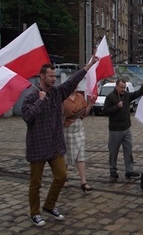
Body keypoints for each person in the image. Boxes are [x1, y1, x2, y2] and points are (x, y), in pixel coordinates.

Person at [22, 58, 97, 227]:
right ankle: (35, 213)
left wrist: (89, 65)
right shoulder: (31, 97)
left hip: (55, 144)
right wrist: (40, 100)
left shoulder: (56, 93)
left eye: (55, 76)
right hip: (38, 146)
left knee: (62, 176)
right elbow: (27, 117)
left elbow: (72, 81)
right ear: (42, 77)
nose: (54, 79)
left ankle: (49, 205)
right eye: (50, 76)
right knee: (36, 183)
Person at [103, 77, 143, 179]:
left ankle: (129, 170)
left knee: (128, 150)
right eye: (121, 87)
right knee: (113, 151)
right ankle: (113, 170)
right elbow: (105, 111)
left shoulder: (127, 95)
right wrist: (116, 107)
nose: (123, 89)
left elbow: (138, 93)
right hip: (115, 129)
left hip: (126, 128)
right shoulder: (110, 97)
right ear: (117, 86)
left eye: (124, 87)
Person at [62, 90, 94, 192]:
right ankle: (64, 178)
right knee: (65, 155)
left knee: (81, 156)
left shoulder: (80, 97)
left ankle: (83, 182)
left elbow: (85, 113)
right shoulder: (63, 98)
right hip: (67, 130)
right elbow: (61, 115)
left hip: (79, 129)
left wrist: (90, 104)